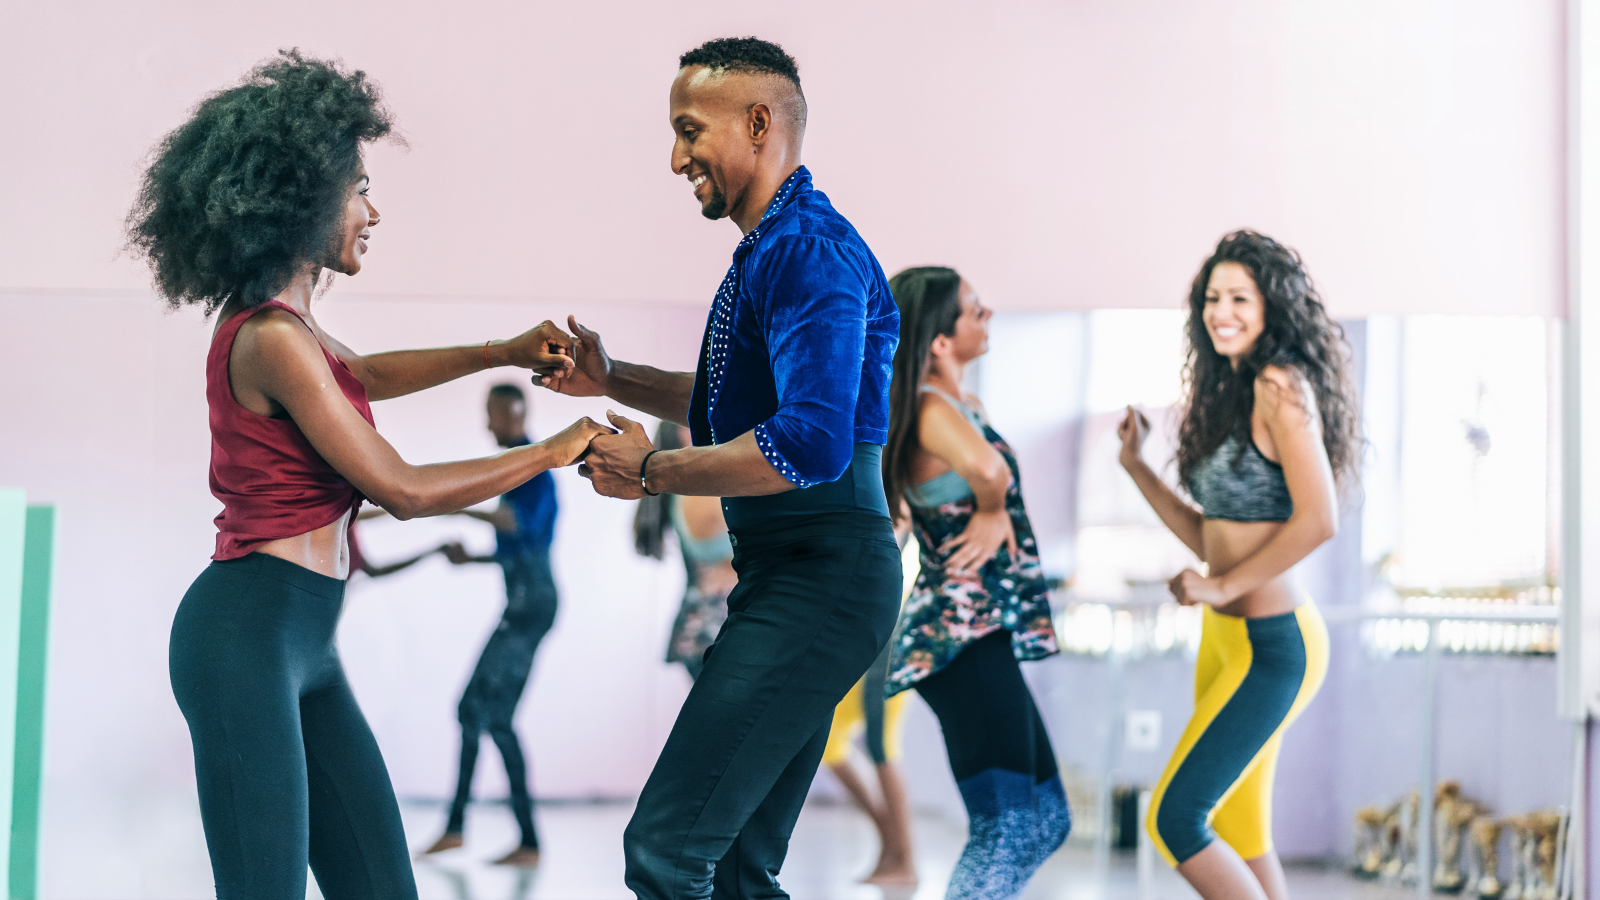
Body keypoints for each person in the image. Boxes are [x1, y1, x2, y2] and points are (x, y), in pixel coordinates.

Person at [129, 51, 607, 900]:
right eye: (358, 189)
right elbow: (403, 490)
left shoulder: (296, 332)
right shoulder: (270, 338)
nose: (372, 210)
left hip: (302, 641)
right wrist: (549, 450)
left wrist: (500, 350)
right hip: (247, 637)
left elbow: (368, 375)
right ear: (302, 197)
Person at [538, 37, 903, 900]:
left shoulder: (806, 251)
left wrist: (654, 469)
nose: (676, 159)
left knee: (667, 852)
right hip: (800, 573)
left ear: (759, 123)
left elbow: (809, 445)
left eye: (689, 130)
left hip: (824, 573)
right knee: (735, 865)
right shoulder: (772, 250)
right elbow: (736, 400)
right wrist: (612, 377)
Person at [1121, 231, 1357, 900]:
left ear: (1271, 305)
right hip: (1224, 639)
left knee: (1175, 818)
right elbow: (1209, 533)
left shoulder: (1282, 386)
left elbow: (1320, 518)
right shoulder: (1235, 389)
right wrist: (1135, 466)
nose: (1221, 312)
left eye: (1239, 298)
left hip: (1273, 646)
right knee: (1244, 831)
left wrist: (1222, 583)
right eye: (1212, 298)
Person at [881, 267, 1070, 899]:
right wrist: (991, 508)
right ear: (938, 339)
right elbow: (989, 468)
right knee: (1010, 825)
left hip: (977, 631)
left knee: (1045, 819)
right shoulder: (931, 408)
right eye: (973, 310)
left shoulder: (957, 406)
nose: (987, 315)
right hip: (957, 637)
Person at [421, 383, 561, 867]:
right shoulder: (520, 467)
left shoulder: (532, 465)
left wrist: (456, 502)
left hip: (531, 607)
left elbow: (516, 527)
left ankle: (526, 842)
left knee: (492, 716)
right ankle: (459, 828)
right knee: (472, 711)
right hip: (523, 602)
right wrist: (472, 558)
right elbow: (517, 545)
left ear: (514, 414)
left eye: (494, 415)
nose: (488, 424)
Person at [819, 538, 917, 888]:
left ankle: (904, 858)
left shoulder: (889, 493)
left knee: (881, 745)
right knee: (826, 739)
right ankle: (889, 838)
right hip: (862, 629)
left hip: (891, 628)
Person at [633, 422, 735, 682]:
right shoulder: (700, 490)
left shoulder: (702, 486)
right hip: (712, 631)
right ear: (681, 435)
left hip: (715, 628)